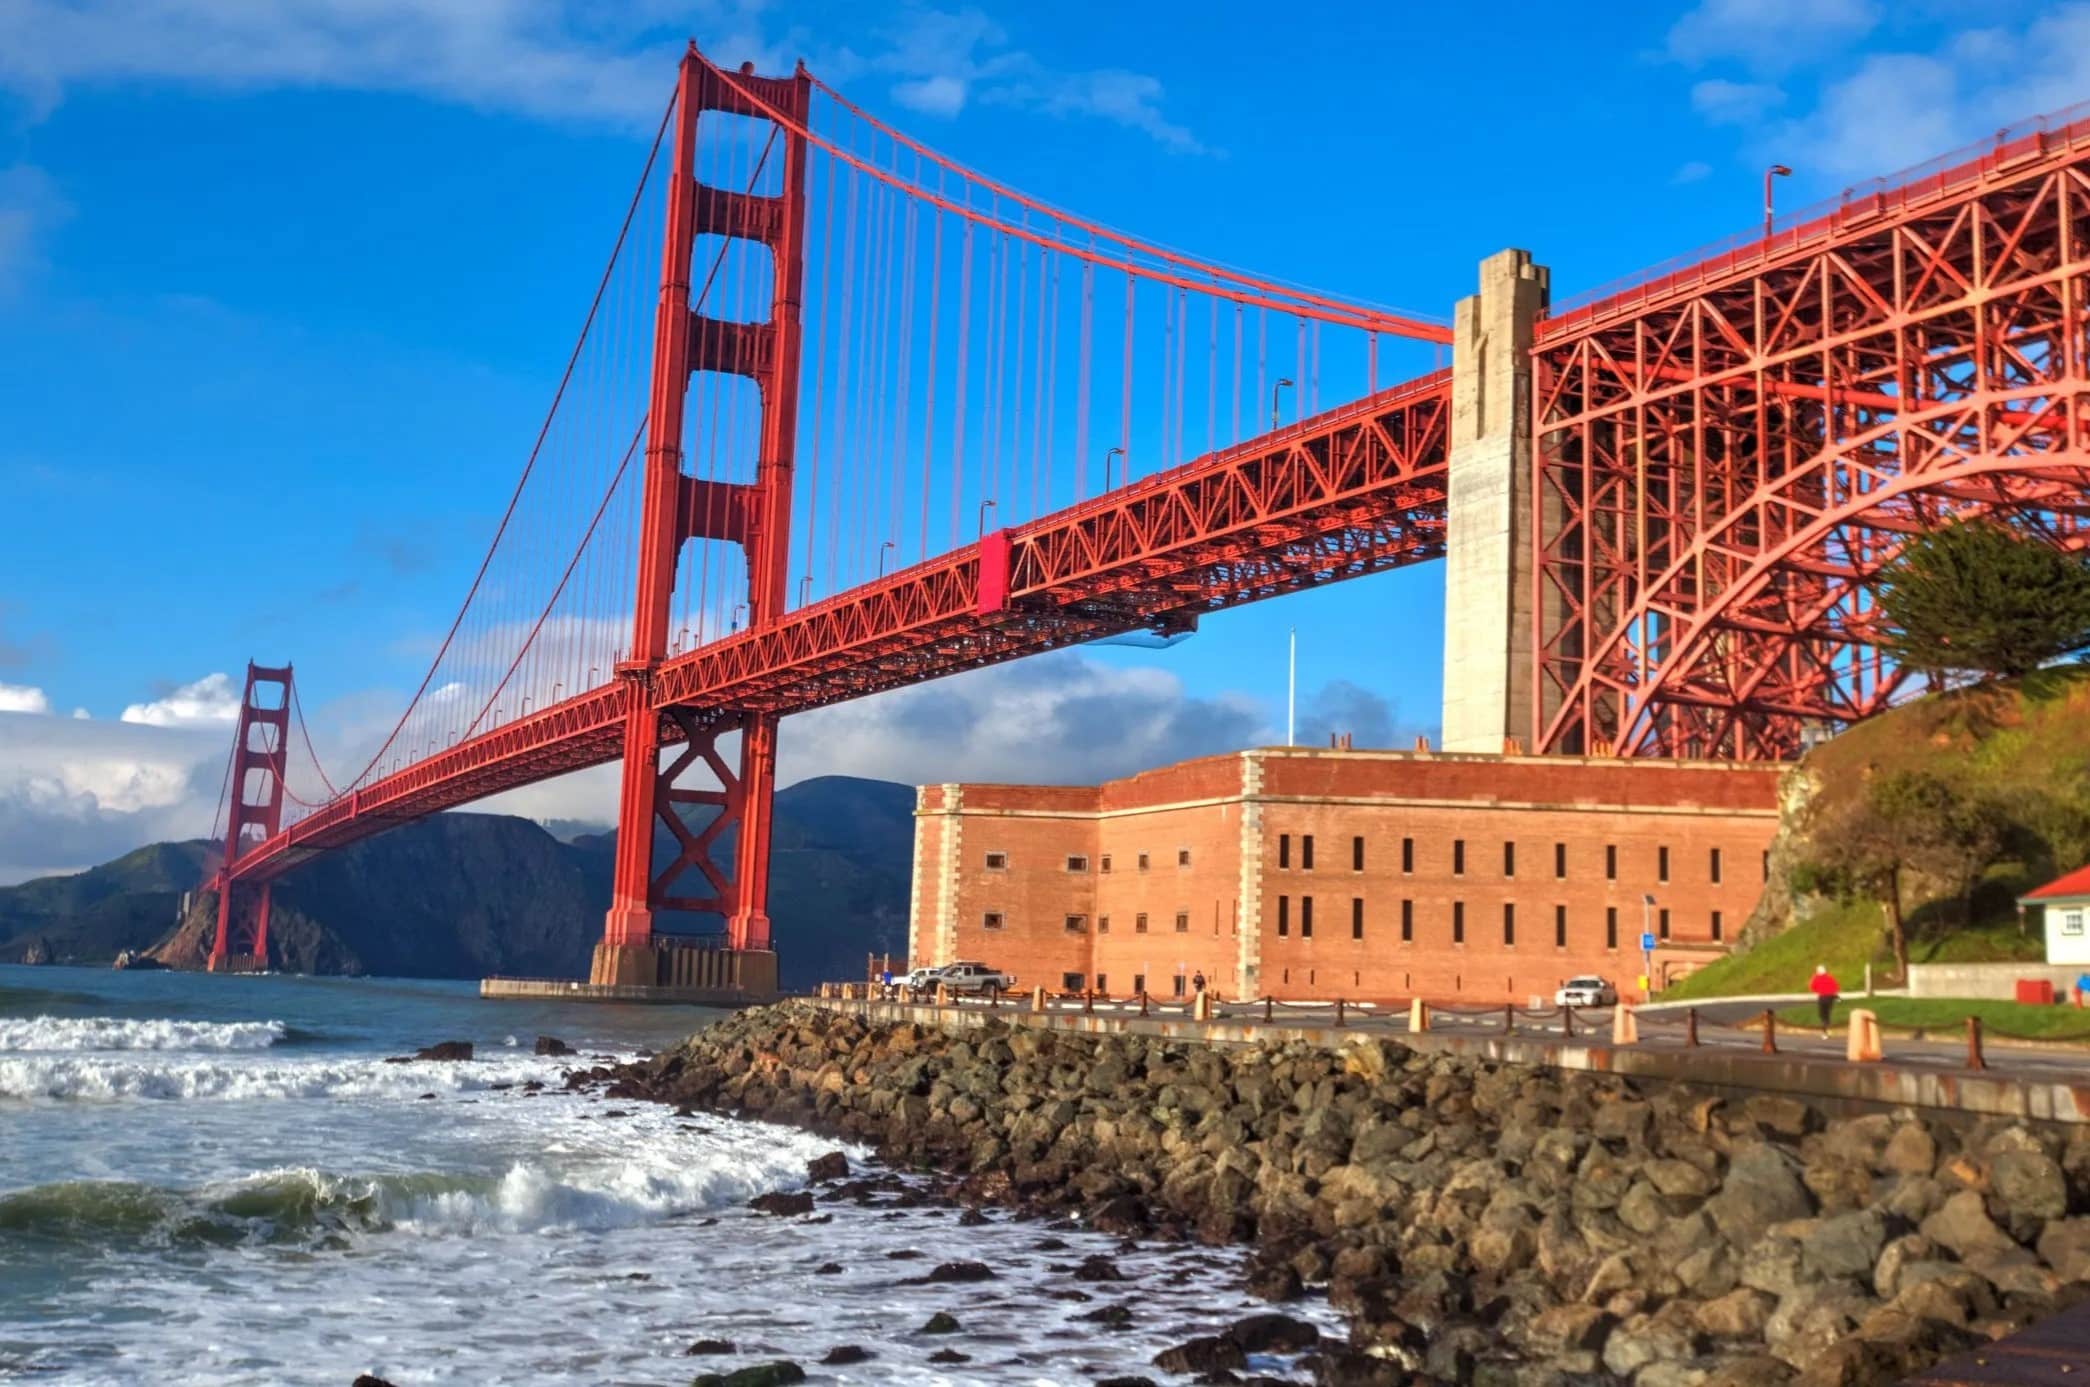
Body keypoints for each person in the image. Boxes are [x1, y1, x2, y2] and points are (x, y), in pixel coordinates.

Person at [1809, 965, 1840, 1037]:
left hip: (1822, 997)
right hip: (1830, 997)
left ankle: (1824, 1032)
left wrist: (1818, 991)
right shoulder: (1830, 977)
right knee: (1827, 1013)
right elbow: (1836, 987)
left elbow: (1812, 987)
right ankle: (1828, 1028)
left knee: (1822, 1015)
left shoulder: (1816, 978)